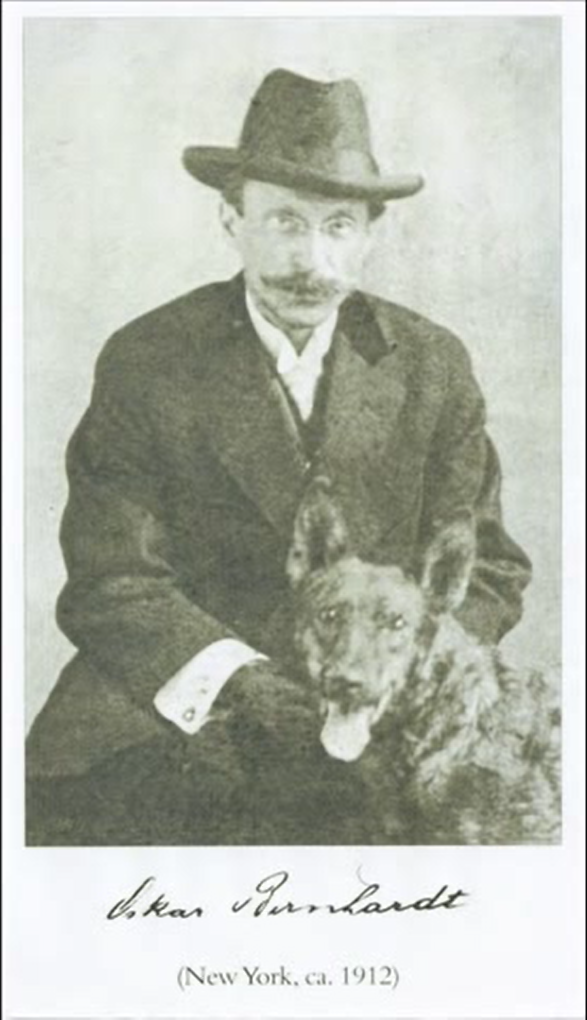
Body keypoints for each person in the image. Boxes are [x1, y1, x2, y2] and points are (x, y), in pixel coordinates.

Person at [26, 68, 532, 845]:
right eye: (285, 222)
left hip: (375, 708)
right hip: (182, 703)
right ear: (231, 219)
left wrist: (396, 674)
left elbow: (486, 566)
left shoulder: (432, 366)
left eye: (338, 227)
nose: (312, 259)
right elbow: (112, 577)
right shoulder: (148, 360)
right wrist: (236, 679)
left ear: (369, 236)